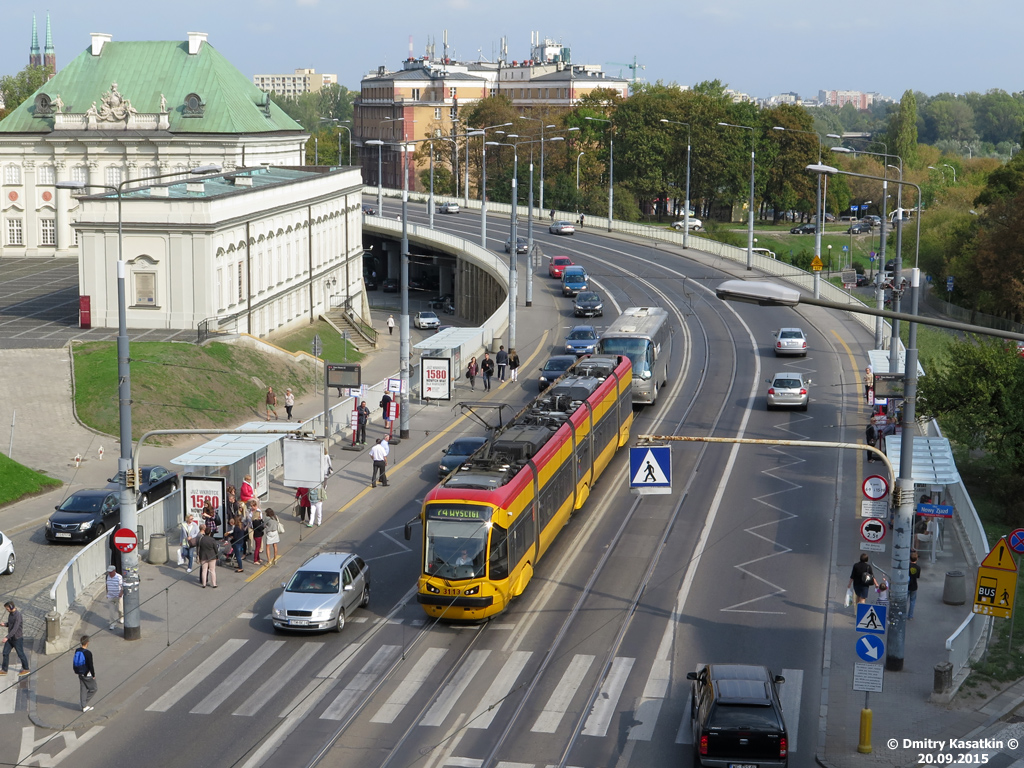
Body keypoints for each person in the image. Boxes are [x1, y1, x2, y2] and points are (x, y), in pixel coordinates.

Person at [0, 601, 30, 676]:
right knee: (5, 653)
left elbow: (15, 628)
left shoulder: (18, 616)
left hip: (17, 638)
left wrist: (6, 637)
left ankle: (26, 668)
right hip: (11, 638)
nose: (7, 610)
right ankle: (4, 670)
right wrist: (5, 624)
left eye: (7, 609)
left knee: (20, 654)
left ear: (11, 607)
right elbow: (11, 624)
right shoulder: (11, 614)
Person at [74, 634, 97, 712]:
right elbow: (90, 665)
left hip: (79, 673)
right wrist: (93, 675)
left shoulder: (77, 650)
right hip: (87, 674)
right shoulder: (88, 653)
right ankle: (83, 703)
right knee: (94, 689)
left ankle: (84, 706)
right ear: (87, 642)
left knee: (83, 689)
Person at [105, 565, 124, 630]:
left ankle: (121, 617)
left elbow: (122, 586)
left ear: (114, 571)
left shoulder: (119, 577)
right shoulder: (107, 577)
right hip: (110, 596)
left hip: (118, 596)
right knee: (111, 612)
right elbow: (107, 585)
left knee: (120, 610)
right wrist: (107, 593)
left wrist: (121, 593)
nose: (109, 573)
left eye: (111, 572)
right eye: (109, 572)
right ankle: (112, 623)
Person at [908, 551, 921, 619]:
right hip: (914, 586)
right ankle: (910, 616)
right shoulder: (918, 567)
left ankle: (902, 613)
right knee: (912, 601)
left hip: (907, 586)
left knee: (904, 601)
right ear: (916, 559)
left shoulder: (907, 566)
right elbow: (917, 576)